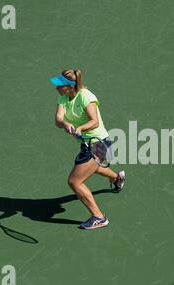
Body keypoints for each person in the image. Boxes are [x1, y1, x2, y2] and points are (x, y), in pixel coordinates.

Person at [51, 69, 125, 230]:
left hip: (99, 144)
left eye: (60, 85)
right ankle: (117, 178)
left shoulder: (86, 97)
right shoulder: (63, 97)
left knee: (75, 181)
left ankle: (99, 217)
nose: (56, 87)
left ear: (70, 86)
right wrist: (65, 123)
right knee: (93, 168)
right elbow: (58, 120)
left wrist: (80, 128)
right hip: (86, 143)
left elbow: (95, 122)